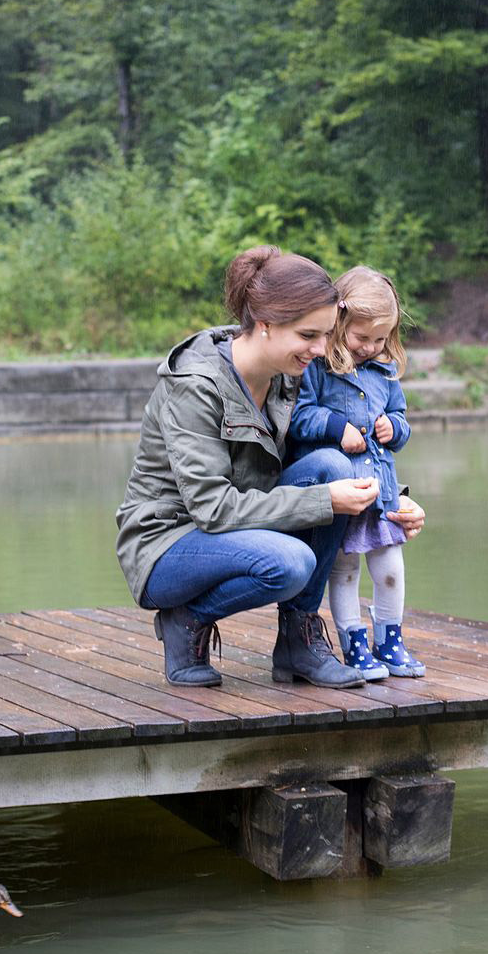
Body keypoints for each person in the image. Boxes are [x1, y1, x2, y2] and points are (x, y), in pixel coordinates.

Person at [115, 246, 426, 690]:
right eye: (309, 336)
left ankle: (298, 641)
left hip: (243, 521)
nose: (321, 350)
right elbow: (214, 510)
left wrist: (390, 503)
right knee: (290, 561)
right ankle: (186, 618)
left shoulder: (289, 371)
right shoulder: (196, 387)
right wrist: (325, 500)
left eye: (325, 334)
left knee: (334, 466)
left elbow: (323, 464)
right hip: (168, 543)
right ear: (264, 325)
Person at [287, 266, 426, 679]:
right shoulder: (319, 369)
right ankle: (353, 643)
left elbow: (402, 420)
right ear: (340, 323)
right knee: (343, 570)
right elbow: (299, 418)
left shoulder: (385, 373)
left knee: (389, 567)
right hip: (344, 490)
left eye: (380, 339)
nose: (370, 347)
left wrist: (394, 428)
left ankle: (390, 640)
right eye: (361, 337)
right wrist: (337, 428)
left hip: (379, 491)